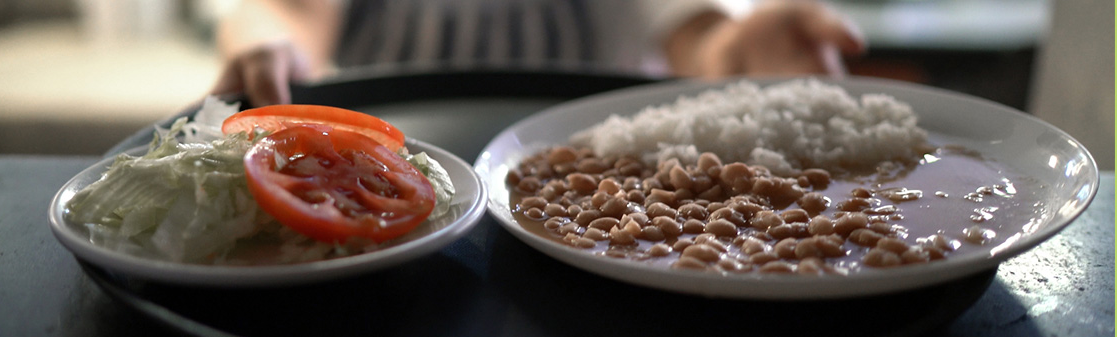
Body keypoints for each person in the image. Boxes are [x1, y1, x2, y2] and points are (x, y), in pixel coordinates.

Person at [210, 0, 866, 107]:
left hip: (598, 221)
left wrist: (738, 47)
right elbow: (285, 13)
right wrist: (267, 47)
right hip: (383, 210)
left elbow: (696, 34)